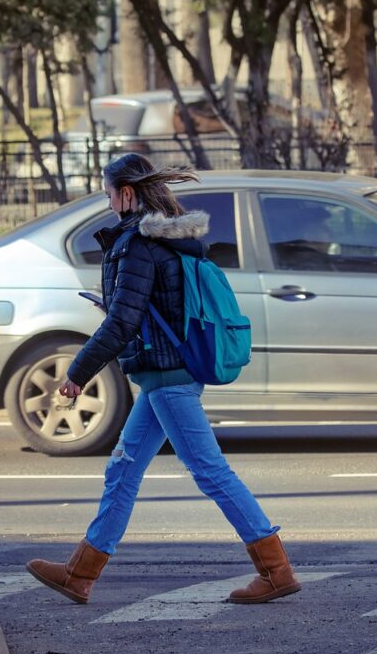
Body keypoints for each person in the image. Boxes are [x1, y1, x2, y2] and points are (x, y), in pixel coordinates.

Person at [25, 153, 300, 605]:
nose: (108, 202)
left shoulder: (137, 245)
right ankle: (81, 573)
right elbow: (148, 310)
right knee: (124, 469)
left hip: (168, 377)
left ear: (127, 194)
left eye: (110, 193)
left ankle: (275, 570)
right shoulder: (165, 240)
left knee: (210, 472)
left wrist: (77, 374)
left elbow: (122, 324)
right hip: (164, 376)